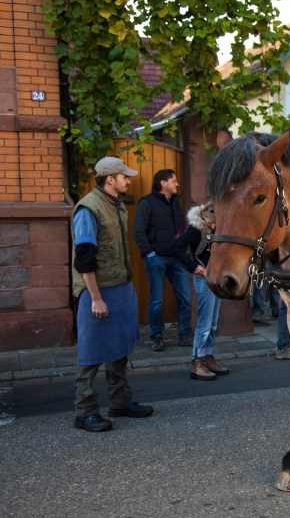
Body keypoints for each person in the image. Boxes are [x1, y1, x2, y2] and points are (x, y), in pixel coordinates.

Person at [71, 156, 154, 432]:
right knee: (91, 353)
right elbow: (84, 258)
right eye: (124, 177)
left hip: (119, 287)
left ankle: (119, 401)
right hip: (98, 291)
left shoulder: (115, 205)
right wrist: (95, 298)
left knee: (119, 348)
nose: (128, 181)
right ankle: (84, 412)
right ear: (110, 179)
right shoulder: (89, 209)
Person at [168, 202, 230, 380]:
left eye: (216, 223)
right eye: (211, 223)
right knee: (204, 324)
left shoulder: (218, 228)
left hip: (217, 278)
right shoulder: (195, 230)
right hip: (203, 279)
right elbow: (173, 248)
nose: (214, 226)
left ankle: (208, 357)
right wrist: (193, 267)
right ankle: (197, 362)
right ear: (204, 217)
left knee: (213, 324)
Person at [133, 168, 192, 351]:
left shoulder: (175, 203)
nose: (177, 184)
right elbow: (139, 232)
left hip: (177, 259)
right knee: (157, 300)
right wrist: (150, 254)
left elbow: (182, 230)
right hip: (157, 258)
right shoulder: (146, 203)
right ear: (163, 183)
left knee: (186, 298)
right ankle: (157, 336)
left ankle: (184, 335)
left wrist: (183, 251)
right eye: (173, 181)